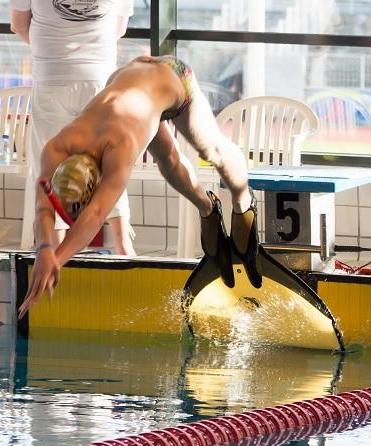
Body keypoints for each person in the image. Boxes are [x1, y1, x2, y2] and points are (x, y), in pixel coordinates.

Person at [18, 55, 262, 318]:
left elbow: (96, 214)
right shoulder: (57, 146)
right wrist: (44, 249)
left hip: (175, 78)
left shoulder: (119, 147)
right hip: (131, 79)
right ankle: (208, 207)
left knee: (212, 151)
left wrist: (57, 258)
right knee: (168, 160)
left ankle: (243, 201)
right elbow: (43, 207)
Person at [10, 0, 136, 255]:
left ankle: (54, 248)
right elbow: (119, 30)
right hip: (99, 79)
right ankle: (122, 244)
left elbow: (19, 25)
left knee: (49, 162)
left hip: (52, 77)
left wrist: (54, 45)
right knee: (110, 159)